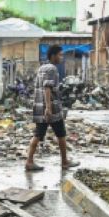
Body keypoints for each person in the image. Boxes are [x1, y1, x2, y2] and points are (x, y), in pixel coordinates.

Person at [25, 44, 78, 172]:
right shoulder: (52, 69)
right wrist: (48, 108)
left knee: (38, 134)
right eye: (60, 55)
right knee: (61, 134)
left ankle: (29, 161)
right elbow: (47, 88)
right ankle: (64, 162)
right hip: (51, 108)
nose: (62, 57)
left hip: (39, 107)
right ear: (53, 56)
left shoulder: (42, 67)